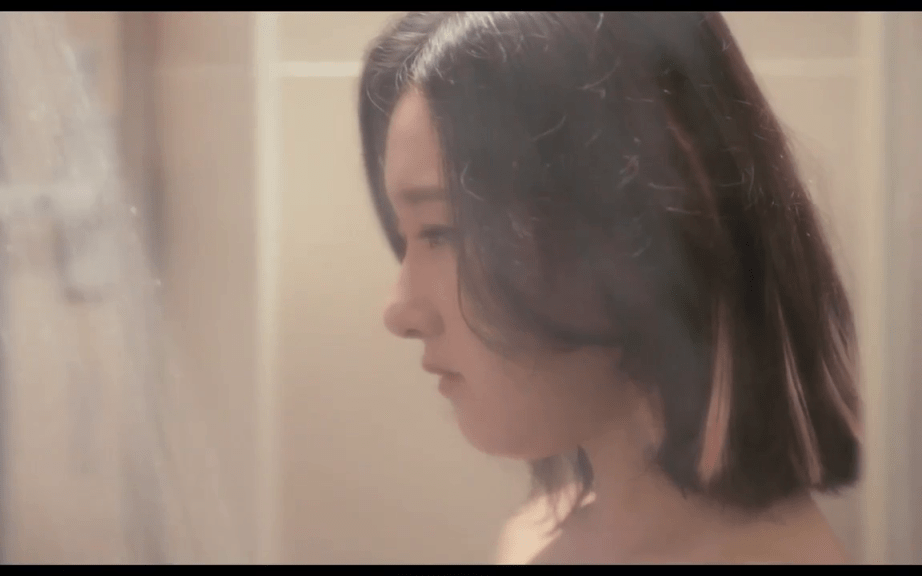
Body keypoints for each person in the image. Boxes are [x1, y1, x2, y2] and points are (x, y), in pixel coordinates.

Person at [357, 12, 861, 564]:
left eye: (442, 231)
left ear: (638, 229)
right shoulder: (541, 538)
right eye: (406, 237)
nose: (398, 311)